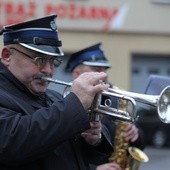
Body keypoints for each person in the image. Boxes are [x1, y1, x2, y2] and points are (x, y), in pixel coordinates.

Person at [0, 15, 118, 170]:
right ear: (7, 56)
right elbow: (13, 145)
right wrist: (75, 103)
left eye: (53, 61)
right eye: (39, 60)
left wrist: (93, 139)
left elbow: (81, 157)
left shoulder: (55, 98)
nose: (48, 70)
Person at [65, 42, 145, 169]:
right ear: (76, 73)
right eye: (96, 69)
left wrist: (136, 134)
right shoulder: (65, 103)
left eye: (105, 69)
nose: (104, 75)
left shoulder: (118, 99)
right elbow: (62, 155)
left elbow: (139, 141)